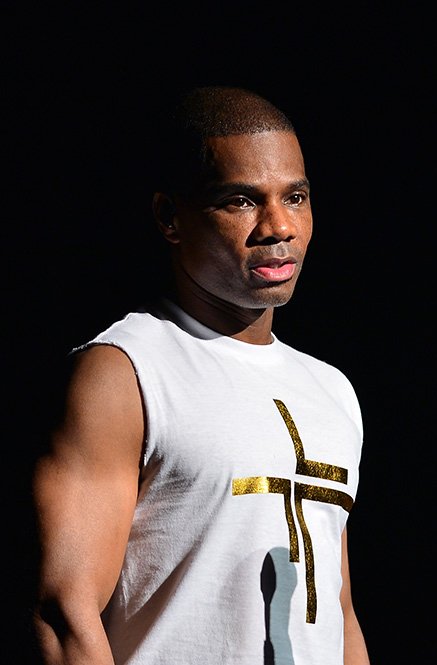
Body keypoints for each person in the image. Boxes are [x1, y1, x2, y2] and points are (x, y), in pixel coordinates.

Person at [31, 85, 370, 664]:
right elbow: (65, 615)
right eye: (240, 200)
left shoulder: (331, 389)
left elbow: (336, 614)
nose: (278, 227)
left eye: (296, 197)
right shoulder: (126, 370)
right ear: (170, 216)